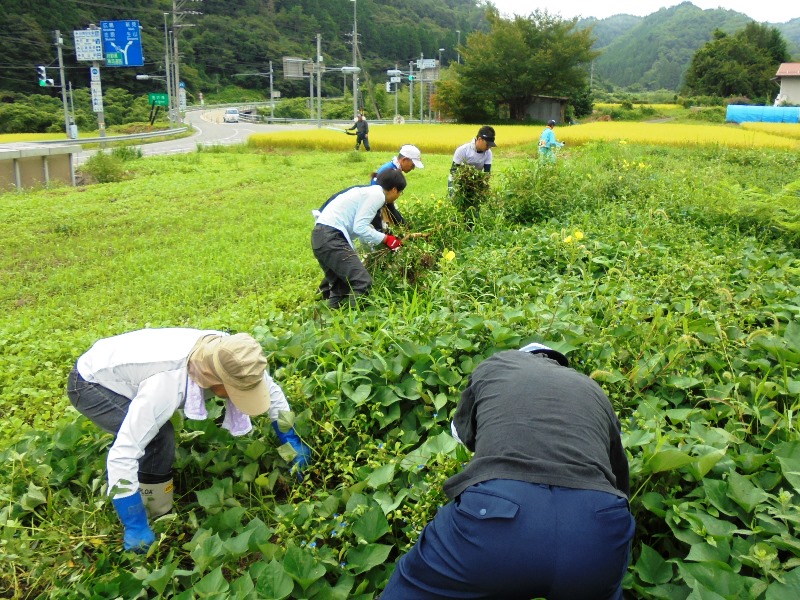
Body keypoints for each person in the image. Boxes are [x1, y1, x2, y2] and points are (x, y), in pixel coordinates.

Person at [381, 343, 635, 600]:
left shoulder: (496, 364)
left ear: (521, 354)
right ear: (557, 363)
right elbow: (617, 475)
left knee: (412, 585)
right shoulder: (593, 388)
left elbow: (462, 434)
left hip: (498, 516)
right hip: (596, 526)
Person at [67, 328, 312, 552]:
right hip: (90, 381)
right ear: (216, 381)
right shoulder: (165, 384)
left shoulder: (234, 356)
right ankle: (154, 511)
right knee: (158, 437)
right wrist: (134, 523)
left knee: (157, 429)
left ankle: (153, 500)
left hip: (124, 360)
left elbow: (272, 391)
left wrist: (292, 441)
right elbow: (123, 453)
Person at [311, 168, 407, 308]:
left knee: (341, 287)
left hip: (320, 236)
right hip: (331, 236)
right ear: (393, 189)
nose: (398, 196)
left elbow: (361, 229)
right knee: (362, 282)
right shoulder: (377, 195)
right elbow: (360, 227)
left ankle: (328, 322)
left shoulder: (368, 192)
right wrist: (387, 239)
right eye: (400, 192)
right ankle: (354, 324)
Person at [369, 144, 424, 232]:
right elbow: (389, 206)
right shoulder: (391, 172)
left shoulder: (392, 168)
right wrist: (406, 227)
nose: (413, 168)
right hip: (375, 208)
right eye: (413, 165)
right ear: (404, 160)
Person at [448, 125, 496, 195]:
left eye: (490, 145)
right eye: (487, 144)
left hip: (476, 182)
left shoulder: (488, 153)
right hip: (457, 181)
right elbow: (453, 171)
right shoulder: (463, 150)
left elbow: (486, 174)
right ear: (480, 139)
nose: (489, 147)